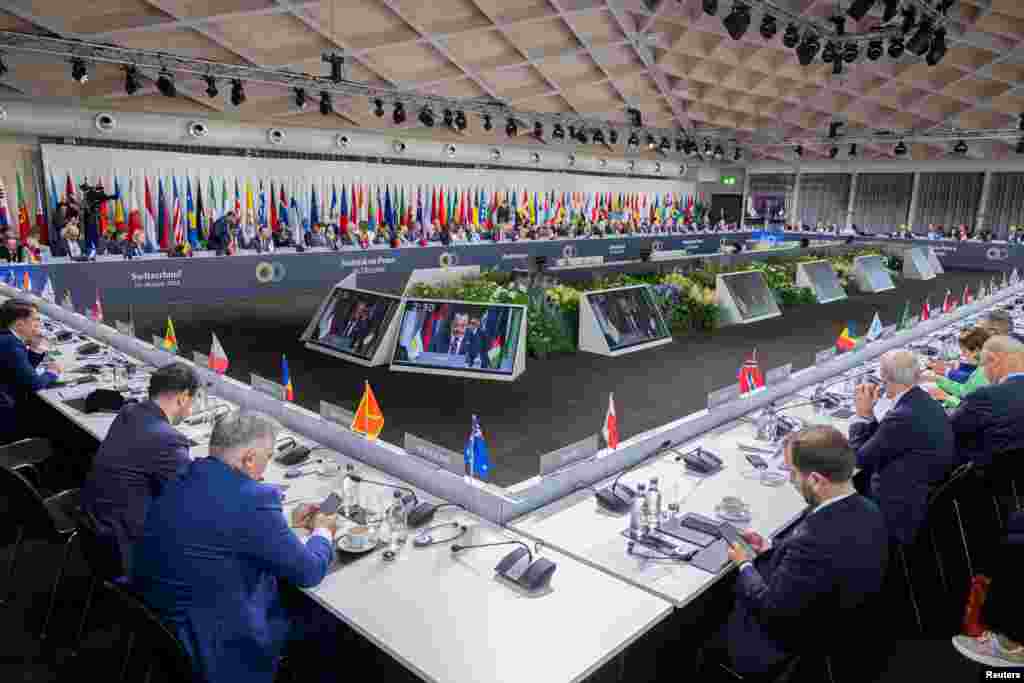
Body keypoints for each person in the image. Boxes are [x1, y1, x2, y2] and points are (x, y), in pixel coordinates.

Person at [132, 410, 338, 683]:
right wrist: (323, 530)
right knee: (328, 629)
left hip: (163, 626)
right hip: (218, 647)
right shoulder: (253, 499)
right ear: (249, 459)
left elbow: (219, 523)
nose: (265, 467)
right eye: (267, 457)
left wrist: (284, 522)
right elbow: (309, 571)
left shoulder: (185, 474)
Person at [717, 426, 888, 678]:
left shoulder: (814, 539)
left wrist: (744, 565)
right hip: (845, 627)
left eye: (793, 473)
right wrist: (769, 548)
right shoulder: (870, 510)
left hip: (792, 647)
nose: (791, 480)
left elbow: (770, 610)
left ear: (816, 480)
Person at [80, 363, 199, 576]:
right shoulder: (168, 439)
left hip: (95, 530)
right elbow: (190, 498)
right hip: (123, 548)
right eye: (193, 401)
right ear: (182, 398)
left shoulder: (129, 411)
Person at [848, 350, 955, 545]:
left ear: (885, 379)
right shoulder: (924, 400)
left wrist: (862, 417)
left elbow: (858, 460)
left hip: (898, 506)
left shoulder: (902, 417)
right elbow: (885, 440)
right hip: (924, 493)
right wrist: (870, 419)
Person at [950, 335, 1024, 467]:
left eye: (983, 366)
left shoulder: (986, 397)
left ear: (993, 360)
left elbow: (948, 432)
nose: (984, 373)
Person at [0, 299, 61, 445]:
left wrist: (35, 350)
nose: (38, 325)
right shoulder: (11, 345)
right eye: (35, 320)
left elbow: (18, 370)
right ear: (19, 324)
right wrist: (52, 372)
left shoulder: (6, 338)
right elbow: (35, 384)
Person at [926, 327, 991, 408]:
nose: (962, 355)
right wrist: (939, 379)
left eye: (964, 351)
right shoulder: (990, 363)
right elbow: (966, 389)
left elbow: (967, 402)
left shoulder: (982, 373)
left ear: (976, 350)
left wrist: (945, 396)